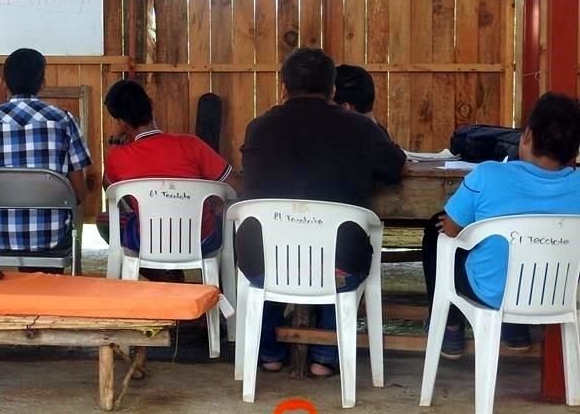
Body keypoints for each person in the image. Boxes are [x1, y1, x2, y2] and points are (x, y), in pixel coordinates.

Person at [239, 48, 406, 376]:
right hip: (339, 266)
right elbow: (393, 166)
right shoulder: (360, 128)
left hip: (263, 264)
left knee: (277, 249)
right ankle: (324, 357)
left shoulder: (259, 128)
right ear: (332, 89)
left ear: (283, 85)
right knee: (342, 246)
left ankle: (269, 354)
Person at [422, 92, 580, 358]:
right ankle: (515, 330)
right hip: (557, 293)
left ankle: (449, 326)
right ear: (575, 150)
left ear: (527, 135)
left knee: (435, 232)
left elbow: (449, 229)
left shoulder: (488, 174)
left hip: (489, 293)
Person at [98, 79, 241, 279]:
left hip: (148, 240)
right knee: (221, 220)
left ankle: (161, 275)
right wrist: (216, 201)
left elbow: (110, 190)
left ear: (120, 122)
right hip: (201, 240)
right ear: (151, 105)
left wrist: (115, 141)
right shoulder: (191, 145)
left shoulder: (117, 156)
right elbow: (236, 185)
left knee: (104, 220)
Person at [0, 48, 92, 256]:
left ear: (3, 82)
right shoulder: (64, 121)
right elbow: (79, 193)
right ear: (43, 83)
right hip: (52, 238)